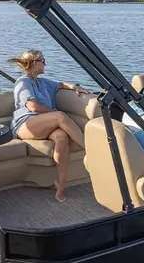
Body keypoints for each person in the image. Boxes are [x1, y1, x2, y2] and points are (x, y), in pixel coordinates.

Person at [8, 49, 90, 202]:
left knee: (61, 137)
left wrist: (75, 87)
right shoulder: (23, 82)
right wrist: (54, 113)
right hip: (25, 124)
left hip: (44, 124)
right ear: (34, 64)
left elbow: (61, 85)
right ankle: (91, 150)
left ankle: (60, 187)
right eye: (43, 61)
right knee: (60, 116)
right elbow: (33, 107)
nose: (45, 64)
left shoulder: (42, 82)